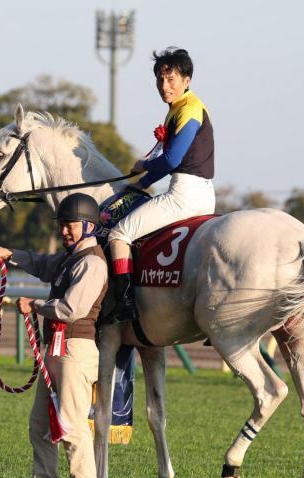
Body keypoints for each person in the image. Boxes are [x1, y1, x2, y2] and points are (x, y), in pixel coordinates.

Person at [0, 193, 107, 478]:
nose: (64, 231)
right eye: (62, 225)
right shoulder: (70, 259)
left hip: (74, 351)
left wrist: (34, 305)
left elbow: (71, 309)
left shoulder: (91, 263)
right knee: (40, 424)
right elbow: (40, 263)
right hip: (55, 350)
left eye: (70, 225)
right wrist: (7, 253)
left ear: (88, 226)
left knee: (70, 423)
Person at [107, 47, 216, 322]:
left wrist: (143, 167)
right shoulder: (181, 108)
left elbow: (171, 160)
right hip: (204, 195)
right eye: (160, 79)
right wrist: (140, 183)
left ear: (186, 80)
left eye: (171, 80)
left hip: (184, 195)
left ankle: (125, 303)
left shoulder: (189, 109)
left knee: (118, 235)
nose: (164, 86)